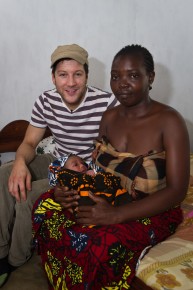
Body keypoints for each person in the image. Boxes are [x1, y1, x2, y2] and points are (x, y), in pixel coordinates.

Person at [32, 44, 190, 290]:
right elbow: (98, 171)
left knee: (96, 243)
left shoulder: (169, 121)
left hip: (151, 209)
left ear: (151, 78)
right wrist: (70, 191)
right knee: (45, 205)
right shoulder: (109, 117)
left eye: (133, 75)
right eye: (115, 76)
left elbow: (177, 191)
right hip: (110, 197)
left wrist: (116, 215)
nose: (122, 83)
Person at [0, 44, 118, 287]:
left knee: (28, 194)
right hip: (58, 160)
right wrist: (20, 162)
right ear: (53, 77)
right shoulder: (46, 100)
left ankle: (15, 262)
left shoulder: (107, 103)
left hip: (86, 170)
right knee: (5, 173)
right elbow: (30, 142)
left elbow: (117, 153)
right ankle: (0, 249)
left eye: (78, 74)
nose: (71, 82)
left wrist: (91, 171)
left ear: (87, 76)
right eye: (63, 74)